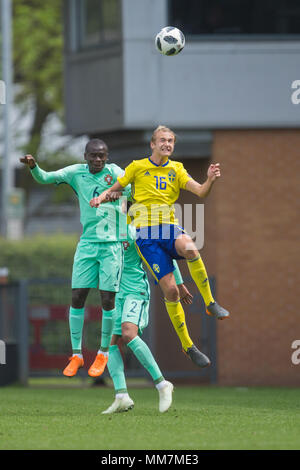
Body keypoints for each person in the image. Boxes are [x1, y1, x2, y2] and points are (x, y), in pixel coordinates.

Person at [89, 125, 230, 367]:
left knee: (191, 248)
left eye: (171, 141)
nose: (167, 144)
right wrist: (101, 197)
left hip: (169, 228)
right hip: (145, 236)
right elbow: (116, 189)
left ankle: (210, 303)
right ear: (152, 145)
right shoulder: (137, 166)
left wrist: (209, 179)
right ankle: (188, 346)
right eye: (162, 140)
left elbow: (201, 193)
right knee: (172, 292)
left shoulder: (177, 169)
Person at [20, 139, 131, 378]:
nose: (98, 160)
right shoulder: (75, 173)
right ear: (85, 156)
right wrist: (33, 166)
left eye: (102, 156)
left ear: (107, 156)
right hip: (88, 244)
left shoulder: (117, 173)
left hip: (111, 245)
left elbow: (133, 191)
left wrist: (118, 194)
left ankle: (103, 352)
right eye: (93, 156)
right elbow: (45, 178)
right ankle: (77, 355)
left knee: (107, 300)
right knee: (77, 296)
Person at [102, 223, 192, 414]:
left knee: (128, 333)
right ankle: (121, 396)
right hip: (114, 292)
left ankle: (162, 384)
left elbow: (163, 256)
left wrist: (180, 284)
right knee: (110, 340)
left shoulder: (138, 230)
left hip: (135, 289)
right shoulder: (103, 228)